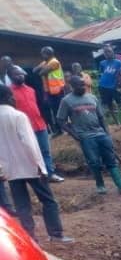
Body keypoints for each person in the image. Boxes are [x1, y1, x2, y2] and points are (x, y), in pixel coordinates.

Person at [0, 85, 70, 242]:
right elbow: (30, 144)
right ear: (8, 97)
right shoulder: (18, 116)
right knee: (48, 200)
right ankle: (56, 234)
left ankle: (30, 238)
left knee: (22, 205)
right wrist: (41, 167)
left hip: (10, 170)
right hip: (31, 166)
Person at [56, 75, 121, 195]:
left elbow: (101, 117)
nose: (83, 87)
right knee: (94, 161)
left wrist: (107, 133)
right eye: (80, 85)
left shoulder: (92, 97)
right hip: (85, 136)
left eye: (84, 84)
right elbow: (60, 120)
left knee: (110, 158)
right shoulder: (66, 101)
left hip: (100, 133)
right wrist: (74, 134)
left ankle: (120, 183)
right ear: (72, 87)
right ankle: (100, 185)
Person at [8, 66, 62, 182]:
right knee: (30, 152)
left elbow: (38, 107)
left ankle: (49, 174)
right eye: (17, 74)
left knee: (45, 151)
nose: (20, 76)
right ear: (10, 76)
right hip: (23, 128)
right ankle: (35, 175)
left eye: (21, 73)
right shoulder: (8, 93)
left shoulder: (31, 90)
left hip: (39, 124)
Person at [32, 47, 65, 135]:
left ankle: (65, 128)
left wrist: (42, 67)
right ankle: (59, 130)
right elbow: (34, 70)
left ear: (48, 54)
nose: (42, 56)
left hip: (58, 90)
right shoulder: (46, 62)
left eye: (43, 54)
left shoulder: (54, 62)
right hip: (50, 91)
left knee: (60, 110)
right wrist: (43, 66)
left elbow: (41, 73)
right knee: (54, 111)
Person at [96, 43, 121, 122]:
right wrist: (100, 82)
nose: (107, 54)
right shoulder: (102, 63)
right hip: (103, 87)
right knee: (109, 105)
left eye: (109, 51)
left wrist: (119, 84)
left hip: (114, 86)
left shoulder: (118, 62)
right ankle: (117, 123)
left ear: (113, 52)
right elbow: (100, 73)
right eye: (105, 52)